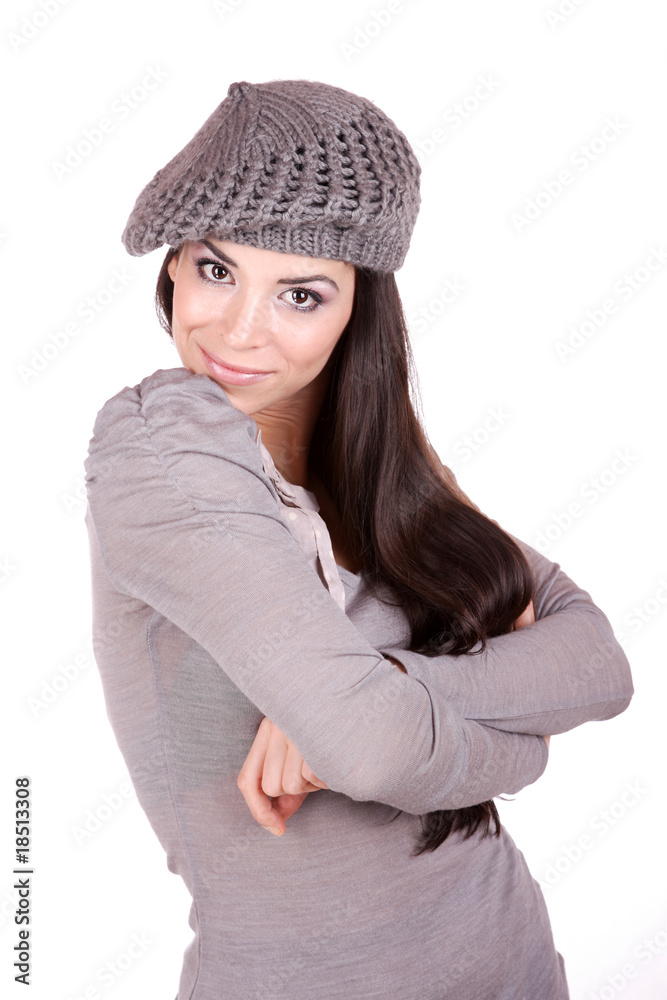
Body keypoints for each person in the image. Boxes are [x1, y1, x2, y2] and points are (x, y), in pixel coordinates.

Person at [83, 79, 633, 999]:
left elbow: (598, 664)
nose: (239, 329)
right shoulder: (160, 448)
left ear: (357, 310)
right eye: (216, 270)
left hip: (512, 958)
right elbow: (367, 749)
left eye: (300, 293)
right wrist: (526, 747)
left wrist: (394, 686)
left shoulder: (380, 465)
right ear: (173, 264)